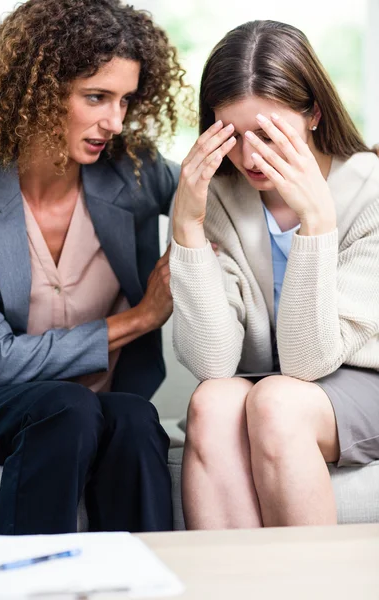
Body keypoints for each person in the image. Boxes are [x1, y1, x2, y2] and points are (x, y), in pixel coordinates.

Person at [0, 0, 190, 535]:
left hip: (96, 406)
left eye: (124, 100)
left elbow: (217, 190)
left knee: (135, 418)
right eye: (96, 97)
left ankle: (148, 584)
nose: (115, 122)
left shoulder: (132, 171)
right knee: (67, 406)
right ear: (37, 88)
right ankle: (28, 585)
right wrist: (141, 318)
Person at [169, 20, 379, 529]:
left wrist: (317, 223)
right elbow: (215, 363)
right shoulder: (221, 195)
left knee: (279, 402)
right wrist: (187, 227)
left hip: (361, 382)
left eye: (268, 134)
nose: (249, 157)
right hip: (271, 384)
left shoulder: (371, 191)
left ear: (314, 115)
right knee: (214, 401)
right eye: (231, 136)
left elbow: (308, 362)